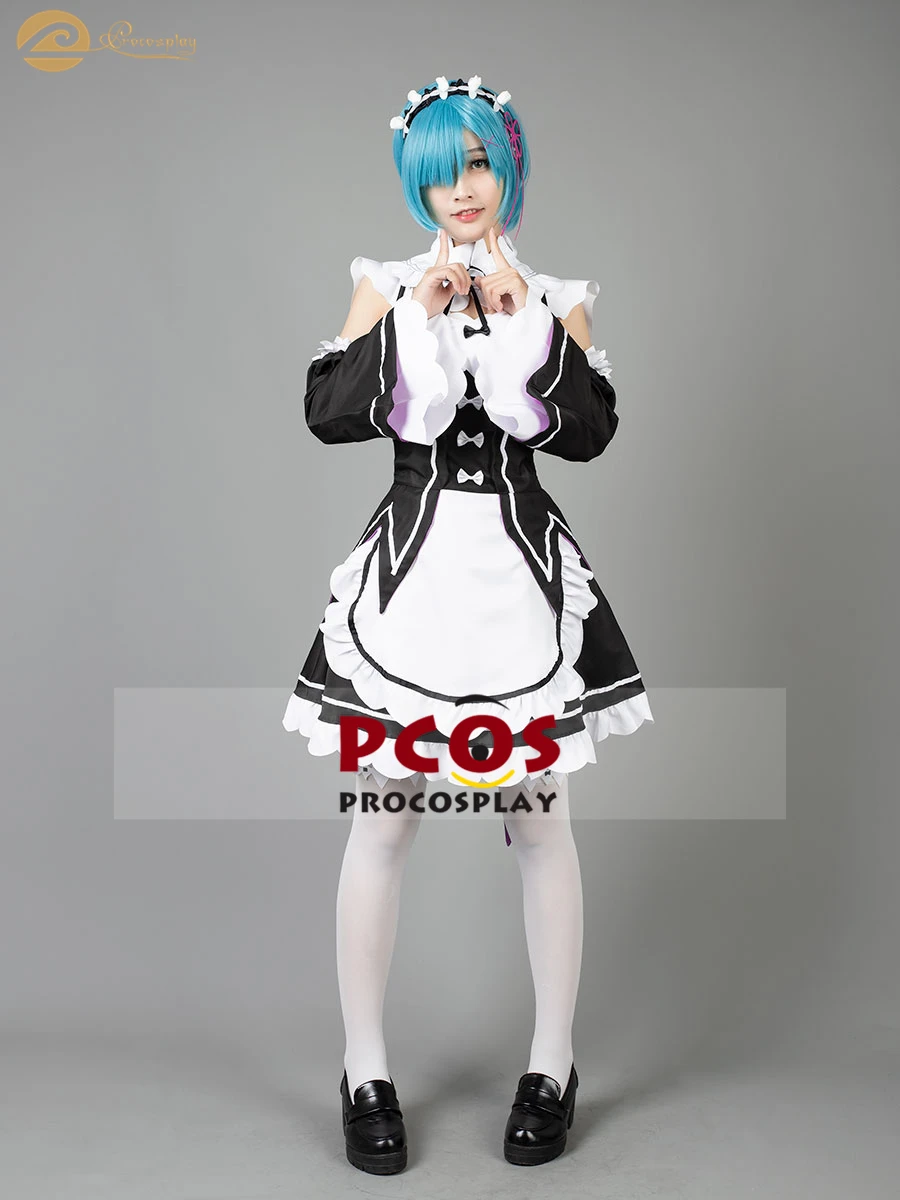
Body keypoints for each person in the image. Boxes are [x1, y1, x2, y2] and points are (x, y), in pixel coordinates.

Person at [282, 75, 654, 1172]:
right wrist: (419, 313)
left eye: (479, 164)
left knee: (540, 825)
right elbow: (327, 413)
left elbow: (586, 433)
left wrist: (519, 316)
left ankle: (553, 1063)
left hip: (519, 592)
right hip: (411, 590)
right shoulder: (386, 286)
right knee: (381, 824)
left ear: (509, 168)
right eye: (440, 173)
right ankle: (364, 1069)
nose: (461, 190)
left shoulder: (559, 298)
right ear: (417, 184)